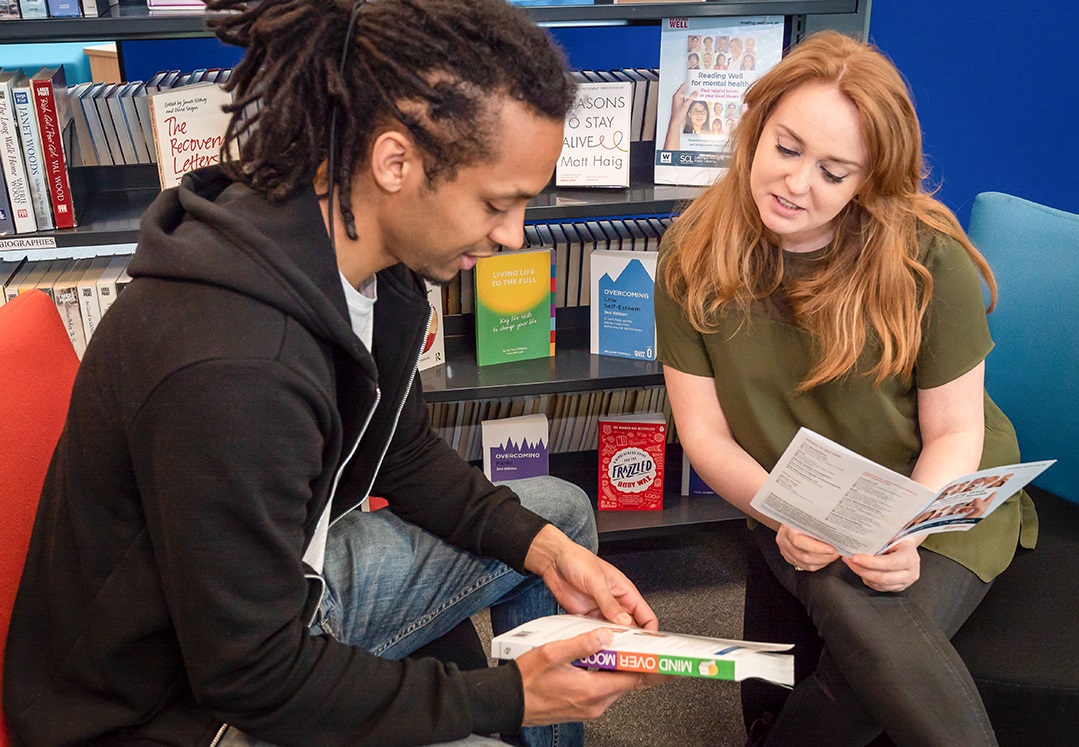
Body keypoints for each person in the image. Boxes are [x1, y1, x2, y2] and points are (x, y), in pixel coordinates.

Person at [3, 1, 663, 746]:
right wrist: (510, 697)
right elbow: (251, 677)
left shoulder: (372, 252)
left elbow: (400, 451)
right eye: (496, 203)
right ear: (394, 162)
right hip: (175, 709)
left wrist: (544, 550)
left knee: (560, 518)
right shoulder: (235, 368)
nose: (512, 236)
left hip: (277, 593)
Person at [655, 31, 1034, 746]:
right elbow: (703, 434)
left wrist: (907, 525)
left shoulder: (928, 257)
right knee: (854, 619)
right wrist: (778, 508)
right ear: (755, 126)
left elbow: (956, 432)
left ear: (870, 179)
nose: (797, 184)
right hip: (795, 495)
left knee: (865, 639)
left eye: (835, 171)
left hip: (933, 494)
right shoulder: (690, 252)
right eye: (787, 148)